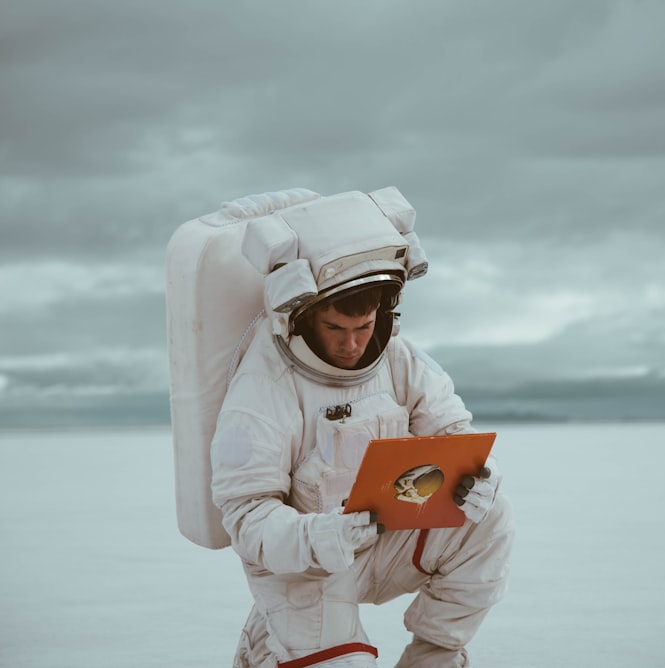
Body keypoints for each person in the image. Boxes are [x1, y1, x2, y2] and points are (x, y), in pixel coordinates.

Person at [210, 187, 514, 668]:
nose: (352, 344)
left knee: (489, 519)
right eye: (336, 329)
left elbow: (454, 429)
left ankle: (434, 657)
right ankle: (267, 643)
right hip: (304, 570)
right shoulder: (263, 387)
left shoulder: (396, 357)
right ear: (305, 316)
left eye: (365, 326)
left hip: (383, 545)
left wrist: (482, 475)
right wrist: (323, 535)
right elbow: (246, 515)